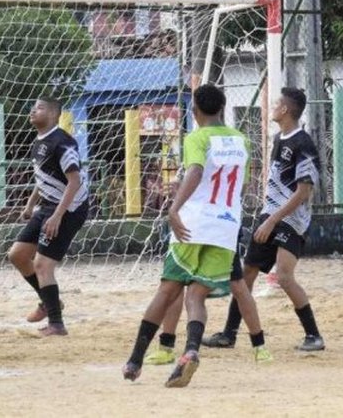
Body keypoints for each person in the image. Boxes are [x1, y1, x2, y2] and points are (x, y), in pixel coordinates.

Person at [123, 84, 255, 388]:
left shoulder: (196, 137)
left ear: (194, 111)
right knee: (197, 295)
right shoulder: (242, 141)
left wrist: (174, 208)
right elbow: (243, 187)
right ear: (222, 108)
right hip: (225, 227)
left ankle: (135, 359)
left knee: (168, 290)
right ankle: (191, 349)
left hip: (193, 224)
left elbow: (195, 172)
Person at [202, 88, 324, 352]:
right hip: (270, 214)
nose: (273, 106)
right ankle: (229, 334)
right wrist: (267, 216)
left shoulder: (303, 143)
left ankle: (314, 335)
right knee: (246, 274)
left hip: (292, 221)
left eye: (277, 103)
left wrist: (273, 220)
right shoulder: (279, 138)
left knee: (284, 276)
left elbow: (304, 192)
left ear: (285, 110)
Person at [7, 97, 89, 337]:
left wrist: (57, 215)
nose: (33, 110)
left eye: (40, 107)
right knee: (18, 255)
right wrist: (30, 204)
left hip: (70, 208)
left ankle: (56, 323)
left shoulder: (63, 143)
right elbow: (43, 176)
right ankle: (49, 301)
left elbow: (74, 181)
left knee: (43, 265)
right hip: (47, 205)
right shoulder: (40, 141)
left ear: (53, 115)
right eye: (33, 106)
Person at [143, 234, 273, 366]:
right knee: (177, 284)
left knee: (237, 285)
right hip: (193, 230)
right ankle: (166, 346)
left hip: (218, 231)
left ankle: (259, 346)